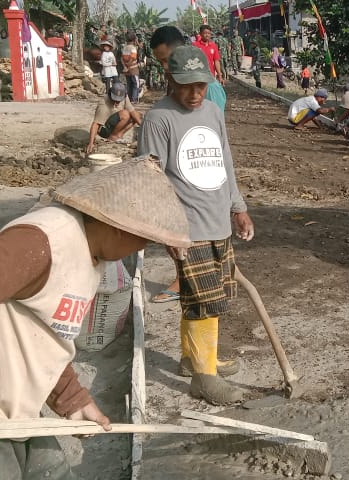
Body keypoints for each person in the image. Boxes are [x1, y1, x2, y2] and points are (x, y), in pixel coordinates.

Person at [0, 158, 191, 479]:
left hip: (21, 412)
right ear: (119, 225)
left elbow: (43, 338)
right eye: (143, 238)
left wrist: (73, 400)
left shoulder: (91, 252)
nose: (144, 246)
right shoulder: (41, 242)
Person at [138, 46, 253, 404]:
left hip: (218, 219)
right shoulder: (159, 119)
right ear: (169, 80)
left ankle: (193, 359)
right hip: (187, 226)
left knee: (208, 297)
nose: (195, 94)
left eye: (201, 85)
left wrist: (238, 206)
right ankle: (204, 378)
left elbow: (225, 161)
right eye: (186, 86)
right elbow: (150, 178)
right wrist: (168, 228)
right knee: (204, 299)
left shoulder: (214, 112)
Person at [150, 25, 226, 113]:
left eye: (167, 60)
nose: (164, 67)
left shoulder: (210, 88)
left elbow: (214, 123)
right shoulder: (173, 82)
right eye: (160, 62)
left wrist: (220, 75)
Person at [86, 81, 142, 153]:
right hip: (104, 129)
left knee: (137, 116)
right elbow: (95, 125)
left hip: (114, 123)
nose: (117, 102)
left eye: (119, 100)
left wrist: (142, 126)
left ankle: (118, 136)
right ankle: (113, 137)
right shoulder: (103, 104)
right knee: (125, 114)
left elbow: (133, 112)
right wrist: (91, 143)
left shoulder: (124, 97)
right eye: (115, 99)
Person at [122, 32, 142, 103]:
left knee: (129, 85)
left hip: (127, 71)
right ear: (134, 40)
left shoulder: (125, 48)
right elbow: (133, 58)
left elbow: (122, 59)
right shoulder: (133, 48)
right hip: (133, 69)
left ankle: (129, 99)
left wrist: (125, 66)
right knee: (136, 84)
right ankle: (134, 99)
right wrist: (128, 66)